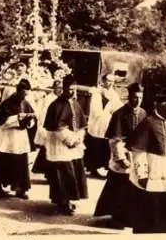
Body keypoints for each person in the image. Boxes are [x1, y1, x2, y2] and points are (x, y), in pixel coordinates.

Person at [126, 92, 166, 233]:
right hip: (154, 168)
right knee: (152, 205)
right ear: (160, 106)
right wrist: (141, 174)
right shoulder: (148, 123)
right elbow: (138, 151)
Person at [93, 83, 147, 228]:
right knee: (118, 189)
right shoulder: (119, 114)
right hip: (122, 155)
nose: (137, 101)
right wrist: (121, 158)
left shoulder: (143, 113)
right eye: (135, 98)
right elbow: (114, 139)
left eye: (140, 98)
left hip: (137, 157)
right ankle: (116, 218)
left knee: (135, 188)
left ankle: (131, 217)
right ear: (129, 97)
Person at [42, 75, 89, 215]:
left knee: (73, 172)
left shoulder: (75, 103)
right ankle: (64, 202)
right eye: (69, 89)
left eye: (74, 89)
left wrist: (79, 138)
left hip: (73, 142)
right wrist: (69, 140)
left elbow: (81, 124)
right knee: (63, 173)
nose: (72, 92)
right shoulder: (56, 105)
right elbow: (56, 128)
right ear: (64, 89)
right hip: (60, 142)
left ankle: (67, 199)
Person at [0, 79, 36, 199]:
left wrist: (30, 120)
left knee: (21, 163)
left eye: (27, 94)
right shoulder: (7, 103)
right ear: (18, 91)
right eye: (24, 94)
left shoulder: (26, 103)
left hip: (20, 138)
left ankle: (20, 189)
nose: (25, 96)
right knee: (3, 161)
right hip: (7, 137)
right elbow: (0, 122)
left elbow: (32, 121)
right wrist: (17, 118)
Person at [85, 73, 123, 178]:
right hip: (96, 122)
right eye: (108, 80)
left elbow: (118, 108)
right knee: (95, 145)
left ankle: (104, 167)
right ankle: (93, 168)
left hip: (107, 122)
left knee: (105, 146)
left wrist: (113, 111)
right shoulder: (96, 92)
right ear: (103, 81)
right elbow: (94, 108)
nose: (110, 83)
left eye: (112, 81)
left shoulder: (114, 95)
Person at [31, 80, 63, 179]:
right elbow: (43, 113)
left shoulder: (62, 98)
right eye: (58, 88)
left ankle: (53, 174)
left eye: (61, 88)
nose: (60, 90)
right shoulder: (49, 99)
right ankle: (47, 172)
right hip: (50, 127)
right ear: (54, 88)